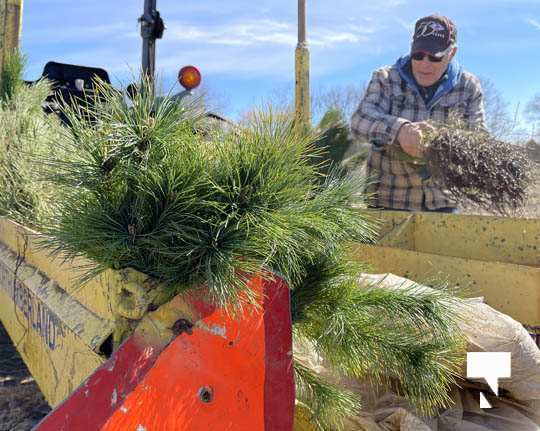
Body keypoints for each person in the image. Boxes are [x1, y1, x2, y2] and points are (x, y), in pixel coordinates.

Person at [351, 14, 487, 212]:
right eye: (418, 55)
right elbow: (360, 120)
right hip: (388, 200)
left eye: (435, 57)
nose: (425, 63)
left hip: (443, 203)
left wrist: (440, 142)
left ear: (452, 53)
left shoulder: (468, 86)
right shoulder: (386, 79)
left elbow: (480, 138)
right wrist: (400, 131)